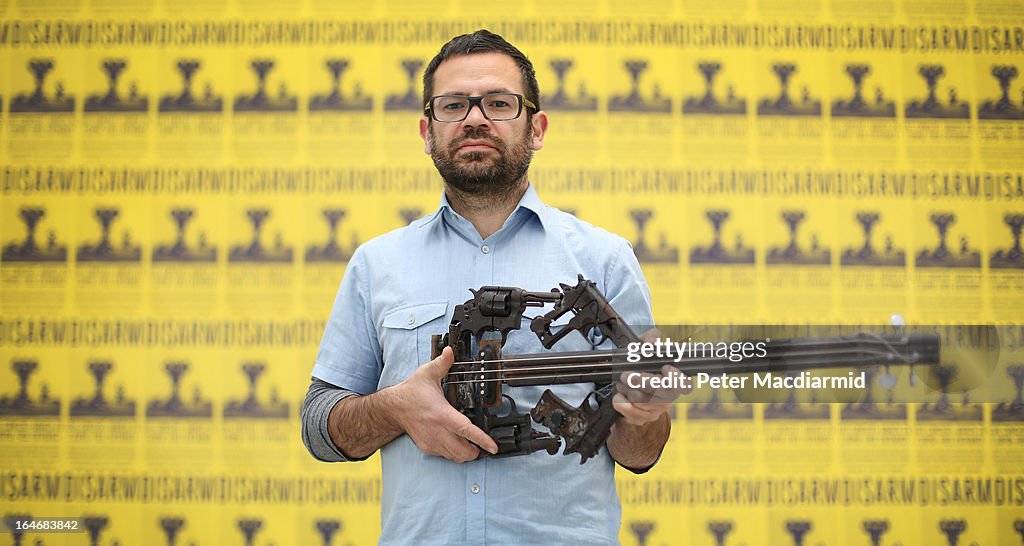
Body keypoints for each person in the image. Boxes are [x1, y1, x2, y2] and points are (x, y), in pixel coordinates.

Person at [301, 29, 681, 545]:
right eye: (453, 105)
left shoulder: (604, 260)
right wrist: (395, 408)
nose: (475, 118)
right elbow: (319, 429)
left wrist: (644, 412)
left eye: (499, 103)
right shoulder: (377, 263)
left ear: (537, 127)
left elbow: (640, 454)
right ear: (426, 131)